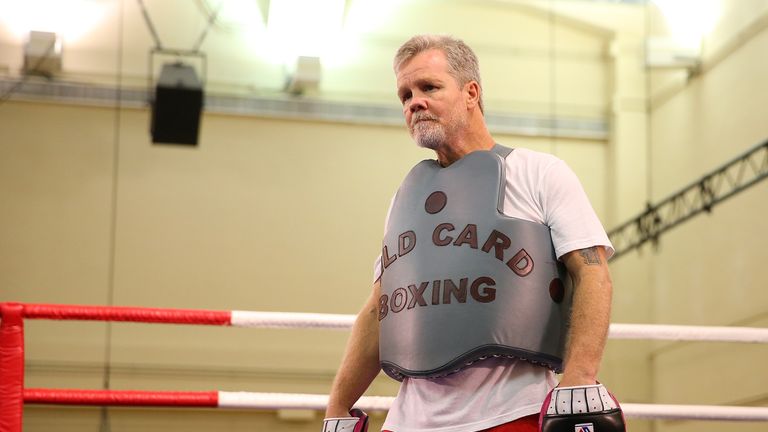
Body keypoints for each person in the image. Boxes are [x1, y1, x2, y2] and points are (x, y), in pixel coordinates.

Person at [323, 34, 623, 432]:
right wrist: (338, 405)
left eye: (429, 87)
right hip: (409, 420)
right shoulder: (405, 198)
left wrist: (580, 378)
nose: (414, 102)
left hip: (510, 413)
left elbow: (592, 272)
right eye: (405, 95)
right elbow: (381, 304)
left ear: (471, 92)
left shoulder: (539, 173)